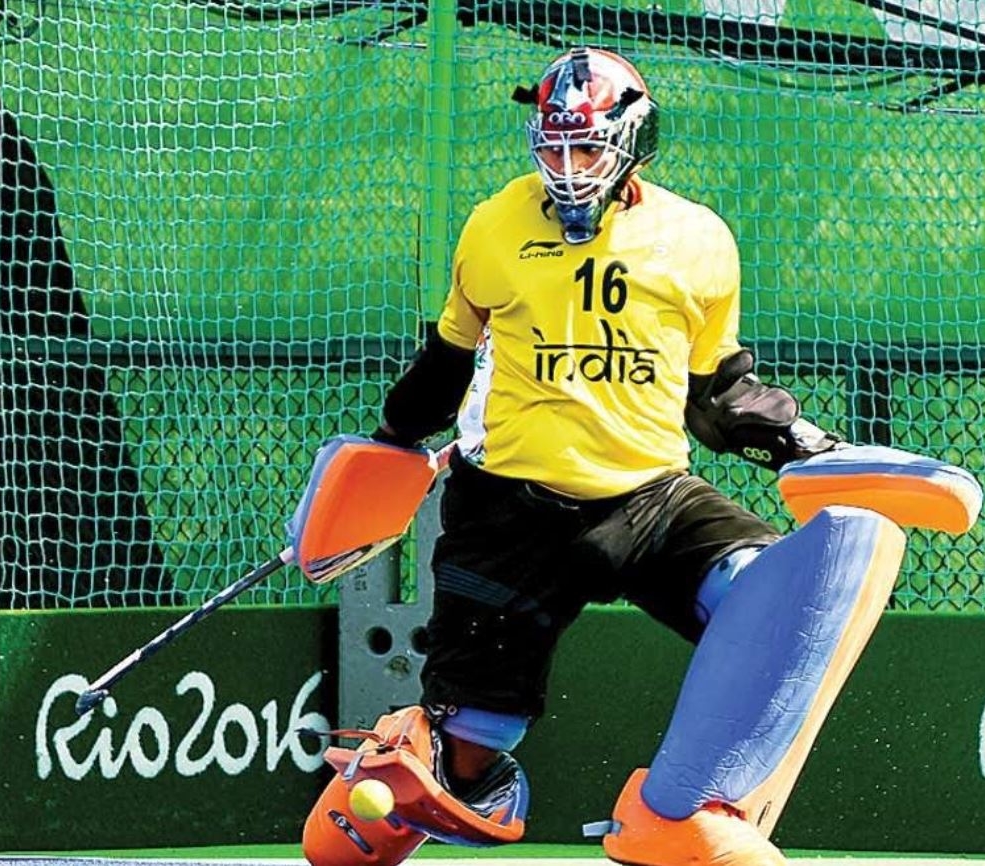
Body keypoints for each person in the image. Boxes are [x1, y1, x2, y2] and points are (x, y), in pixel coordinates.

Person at [301, 46, 920, 866]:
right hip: (508, 513)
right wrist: (388, 445)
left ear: (633, 144)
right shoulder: (493, 225)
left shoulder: (699, 241)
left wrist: (798, 442)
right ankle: (418, 763)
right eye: (553, 147)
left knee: (773, 597)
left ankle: (682, 812)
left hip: (651, 501)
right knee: (467, 751)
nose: (567, 168)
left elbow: (716, 394)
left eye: (587, 147)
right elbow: (447, 361)